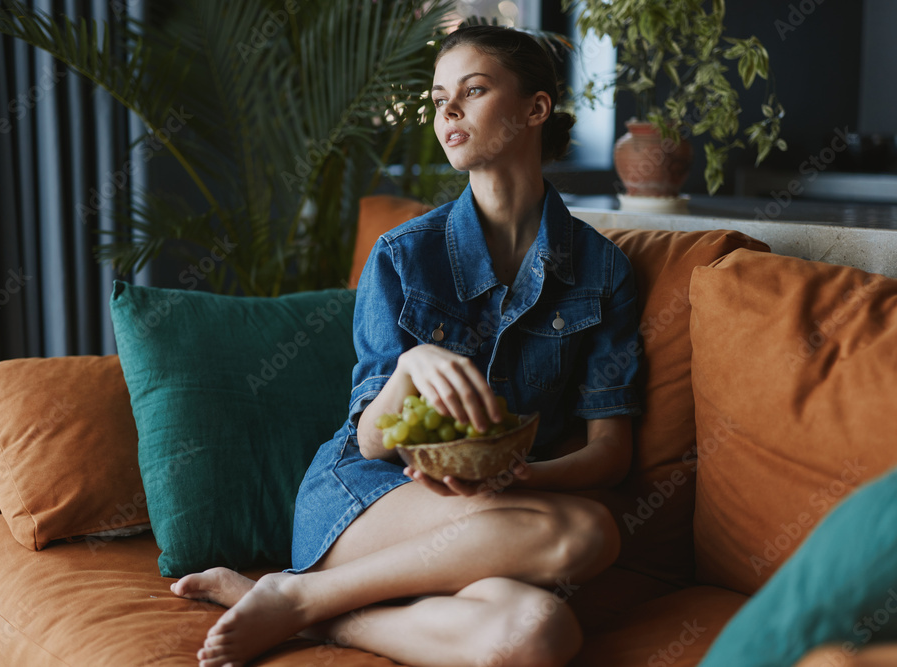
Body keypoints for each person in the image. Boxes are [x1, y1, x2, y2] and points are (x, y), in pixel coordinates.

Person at [171, 24, 642, 667]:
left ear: (536, 108)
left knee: (535, 636)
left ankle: (310, 609)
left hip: (491, 520)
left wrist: (524, 477)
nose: (448, 110)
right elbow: (371, 441)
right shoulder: (401, 256)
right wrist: (411, 366)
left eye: (473, 90)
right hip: (365, 500)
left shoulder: (603, 271)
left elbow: (611, 452)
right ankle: (309, 592)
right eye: (439, 95)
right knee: (588, 529)